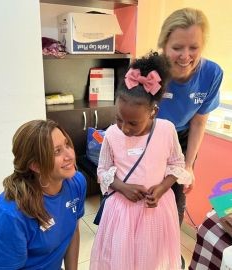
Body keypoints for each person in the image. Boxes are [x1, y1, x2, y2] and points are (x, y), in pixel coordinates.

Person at [90, 52, 191, 270]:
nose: (125, 128)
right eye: (119, 118)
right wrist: (122, 187)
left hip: (155, 212)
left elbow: (177, 164)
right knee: (120, 260)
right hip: (122, 213)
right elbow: (103, 170)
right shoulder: (111, 134)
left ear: (153, 112)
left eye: (133, 123)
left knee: (152, 261)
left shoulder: (167, 130)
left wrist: (163, 187)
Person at [0, 119, 87, 270]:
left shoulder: (76, 183)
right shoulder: (10, 214)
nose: (69, 155)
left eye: (67, 144)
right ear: (36, 165)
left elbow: (72, 231)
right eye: (57, 151)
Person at [157, 7, 223, 226]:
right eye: (177, 48)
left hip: (183, 139)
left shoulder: (212, 74)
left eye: (194, 47)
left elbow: (198, 121)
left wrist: (188, 166)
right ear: (164, 46)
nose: (186, 56)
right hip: (149, 135)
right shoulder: (149, 72)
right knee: (148, 196)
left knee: (176, 199)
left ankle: (169, 251)